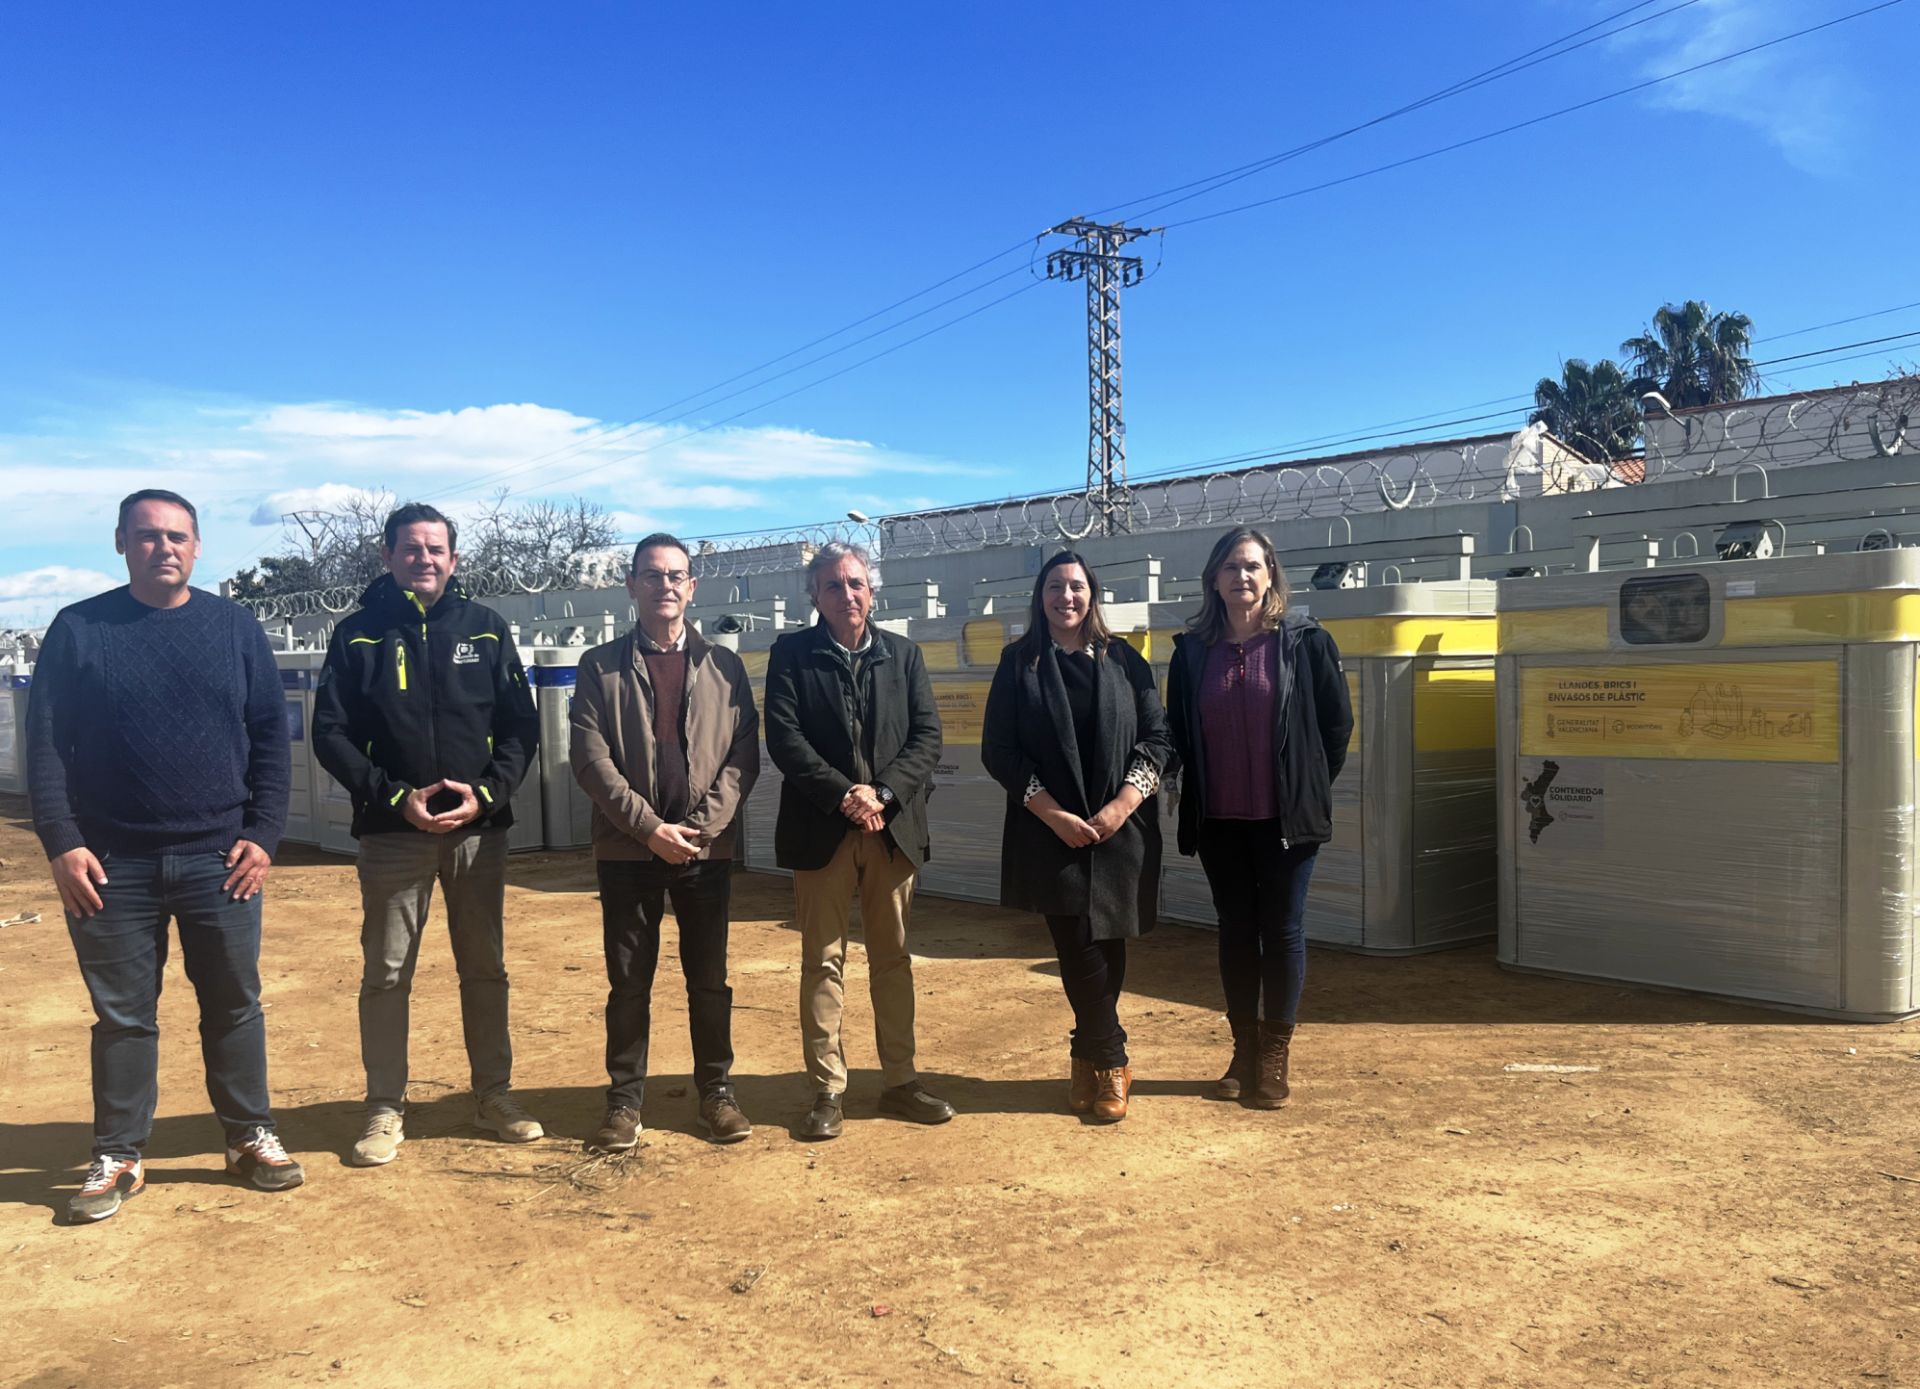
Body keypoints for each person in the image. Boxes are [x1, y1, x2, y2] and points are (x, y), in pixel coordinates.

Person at [28, 489, 301, 1222]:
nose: (164, 548)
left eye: (178, 536)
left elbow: (271, 740)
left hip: (221, 859)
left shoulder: (234, 627)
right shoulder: (80, 628)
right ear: (121, 541)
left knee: (234, 1003)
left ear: (199, 545)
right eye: (147, 536)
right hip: (112, 864)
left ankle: (248, 1135)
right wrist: (62, 841)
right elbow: (46, 746)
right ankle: (118, 1154)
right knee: (123, 1017)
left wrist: (264, 833)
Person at [312, 502, 542, 1166]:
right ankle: (385, 1107)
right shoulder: (358, 634)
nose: (424, 559)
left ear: (454, 558)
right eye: (410, 549)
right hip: (393, 832)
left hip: (479, 831)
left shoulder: (487, 629)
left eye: (435, 549)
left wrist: (488, 793)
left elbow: (521, 724)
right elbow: (331, 732)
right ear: (387, 556)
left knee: (485, 967)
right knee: (386, 972)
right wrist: (392, 796)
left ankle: (494, 1095)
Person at [570, 533, 761, 1150]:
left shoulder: (724, 665)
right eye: (652, 576)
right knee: (630, 982)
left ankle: (717, 1093)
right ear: (632, 586)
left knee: (709, 980)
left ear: (692, 587)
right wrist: (649, 828)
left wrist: (701, 829)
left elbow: (742, 757)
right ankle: (624, 1102)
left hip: (705, 852)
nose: (666, 586)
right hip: (630, 851)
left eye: (676, 575)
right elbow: (590, 759)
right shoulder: (599, 666)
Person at [762, 541, 950, 1140]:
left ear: (872, 590)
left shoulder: (905, 655)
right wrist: (846, 794)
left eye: (856, 583)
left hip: (891, 830)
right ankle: (827, 1089)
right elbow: (784, 737)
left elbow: (927, 737)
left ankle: (900, 1080)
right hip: (824, 828)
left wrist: (883, 794)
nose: (847, 594)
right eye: (833, 585)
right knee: (822, 961)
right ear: (814, 596)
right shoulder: (792, 654)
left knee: (892, 959)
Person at [1165, 526, 1353, 1110]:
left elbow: (1335, 727)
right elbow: (1176, 730)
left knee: (1283, 929)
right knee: (1236, 931)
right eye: (1230, 568)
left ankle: (1274, 1055)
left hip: (1284, 822)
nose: (1241, 578)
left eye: (1251, 566)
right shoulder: (1192, 652)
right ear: (1213, 580)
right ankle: (1242, 1050)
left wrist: (1306, 787)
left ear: (1270, 574)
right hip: (1220, 818)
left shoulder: (1304, 642)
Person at [980, 552, 1171, 1123]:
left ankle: (1085, 1056)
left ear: (1093, 596)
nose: (1067, 596)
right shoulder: (1020, 664)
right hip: (1050, 831)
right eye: (1056, 586)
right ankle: (1112, 1059)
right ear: (1040, 597)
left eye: (1078, 586)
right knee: (1077, 945)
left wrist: (1122, 804)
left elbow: (1160, 739)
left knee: (1109, 945)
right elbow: (1000, 750)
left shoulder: (1126, 663)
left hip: (1120, 830)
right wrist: (1053, 812)